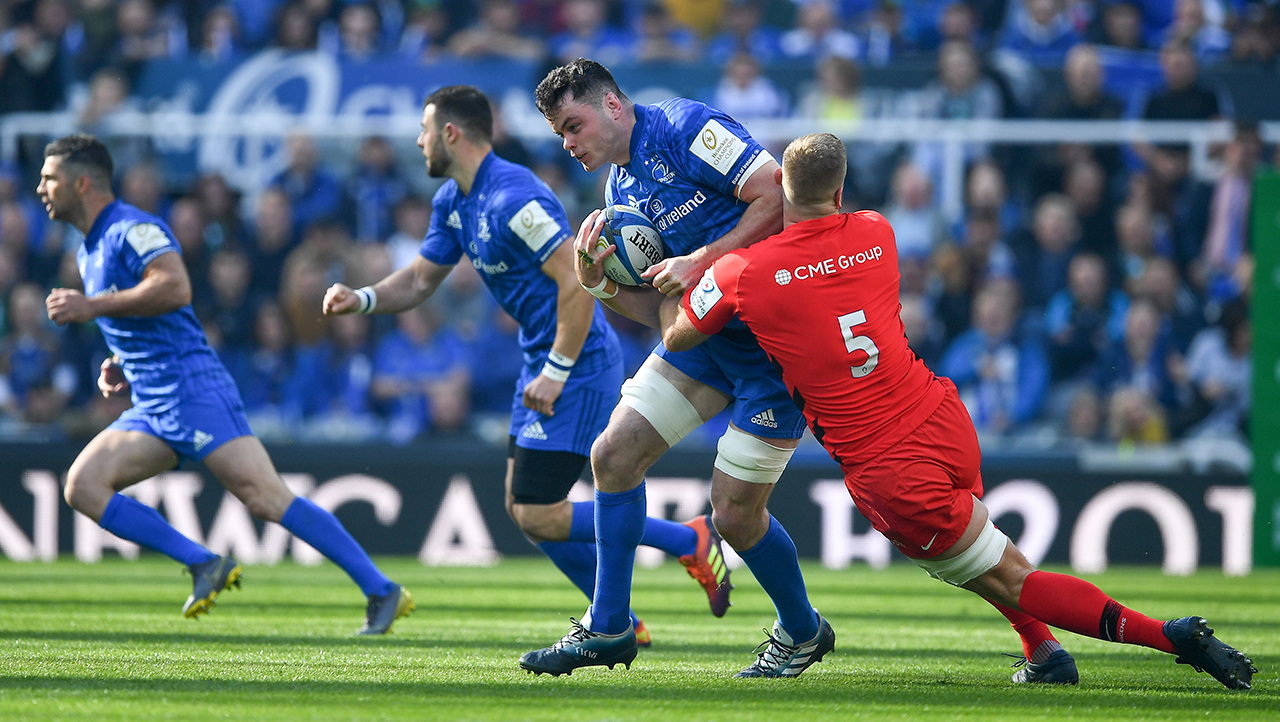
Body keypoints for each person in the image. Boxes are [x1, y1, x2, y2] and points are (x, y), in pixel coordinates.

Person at [575, 131, 1256, 690]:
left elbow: (676, 333)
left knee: (1014, 578)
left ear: (779, 190)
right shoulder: (878, 232)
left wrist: (627, 281)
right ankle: (1044, 655)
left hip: (887, 466)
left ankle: (1170, 636)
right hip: (940, 416)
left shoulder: (742, 275)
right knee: (990, 553)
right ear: (840, 190)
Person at [321, 86, 728, 646]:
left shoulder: (515, 197)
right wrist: (362, 299)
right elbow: (418, 280)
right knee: (525, 507)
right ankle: (640, 595)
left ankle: (668, 564)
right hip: (542, 360)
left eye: (423, 130)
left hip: (576, 361)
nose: (417, 142)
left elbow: (577, 282)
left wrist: (558, 368)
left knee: (536, 511)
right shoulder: (452, 201)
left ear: (451, 134)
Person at [520, 59, 829, 678]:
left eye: (573, 126)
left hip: (777, 345)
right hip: (708, 345)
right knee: (612, 457)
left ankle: (803, 630)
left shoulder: (685, 126)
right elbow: (668, 316)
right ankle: (608, 628)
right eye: (560, 135)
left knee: (735, 516)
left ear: (612, 105)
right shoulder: (617, 195)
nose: (568, 144)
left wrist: (704, 260)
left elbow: (777, 195)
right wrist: (600, 286)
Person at [38, 134, 414, 634]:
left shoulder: (133, 227)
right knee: (82, 486)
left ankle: (381, 589)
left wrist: (92, 308)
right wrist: (120, 360)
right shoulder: (88, 249)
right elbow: (146, 318)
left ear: (81, 183)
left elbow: (174, 287)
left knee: (266, 498)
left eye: (50, 178)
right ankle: (203, 564)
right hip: (152, 400)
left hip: (192, 390)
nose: (41, 188)